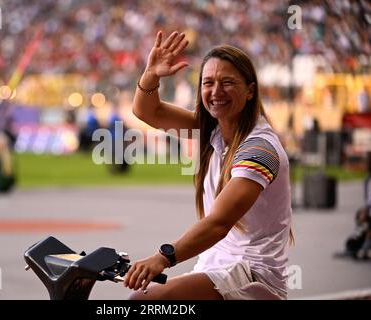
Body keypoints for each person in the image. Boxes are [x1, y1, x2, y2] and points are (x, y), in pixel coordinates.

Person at [124, 31, 293, 300]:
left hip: (252, 275)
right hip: (216, 268)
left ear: (250, 91)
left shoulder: (260, 148)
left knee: (144, 301)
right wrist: (151, 75)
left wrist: (163, 257)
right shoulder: (212, 131)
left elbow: (219, 223)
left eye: (227, 82)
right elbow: (148, 112)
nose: (216, 92)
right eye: (208, 82)